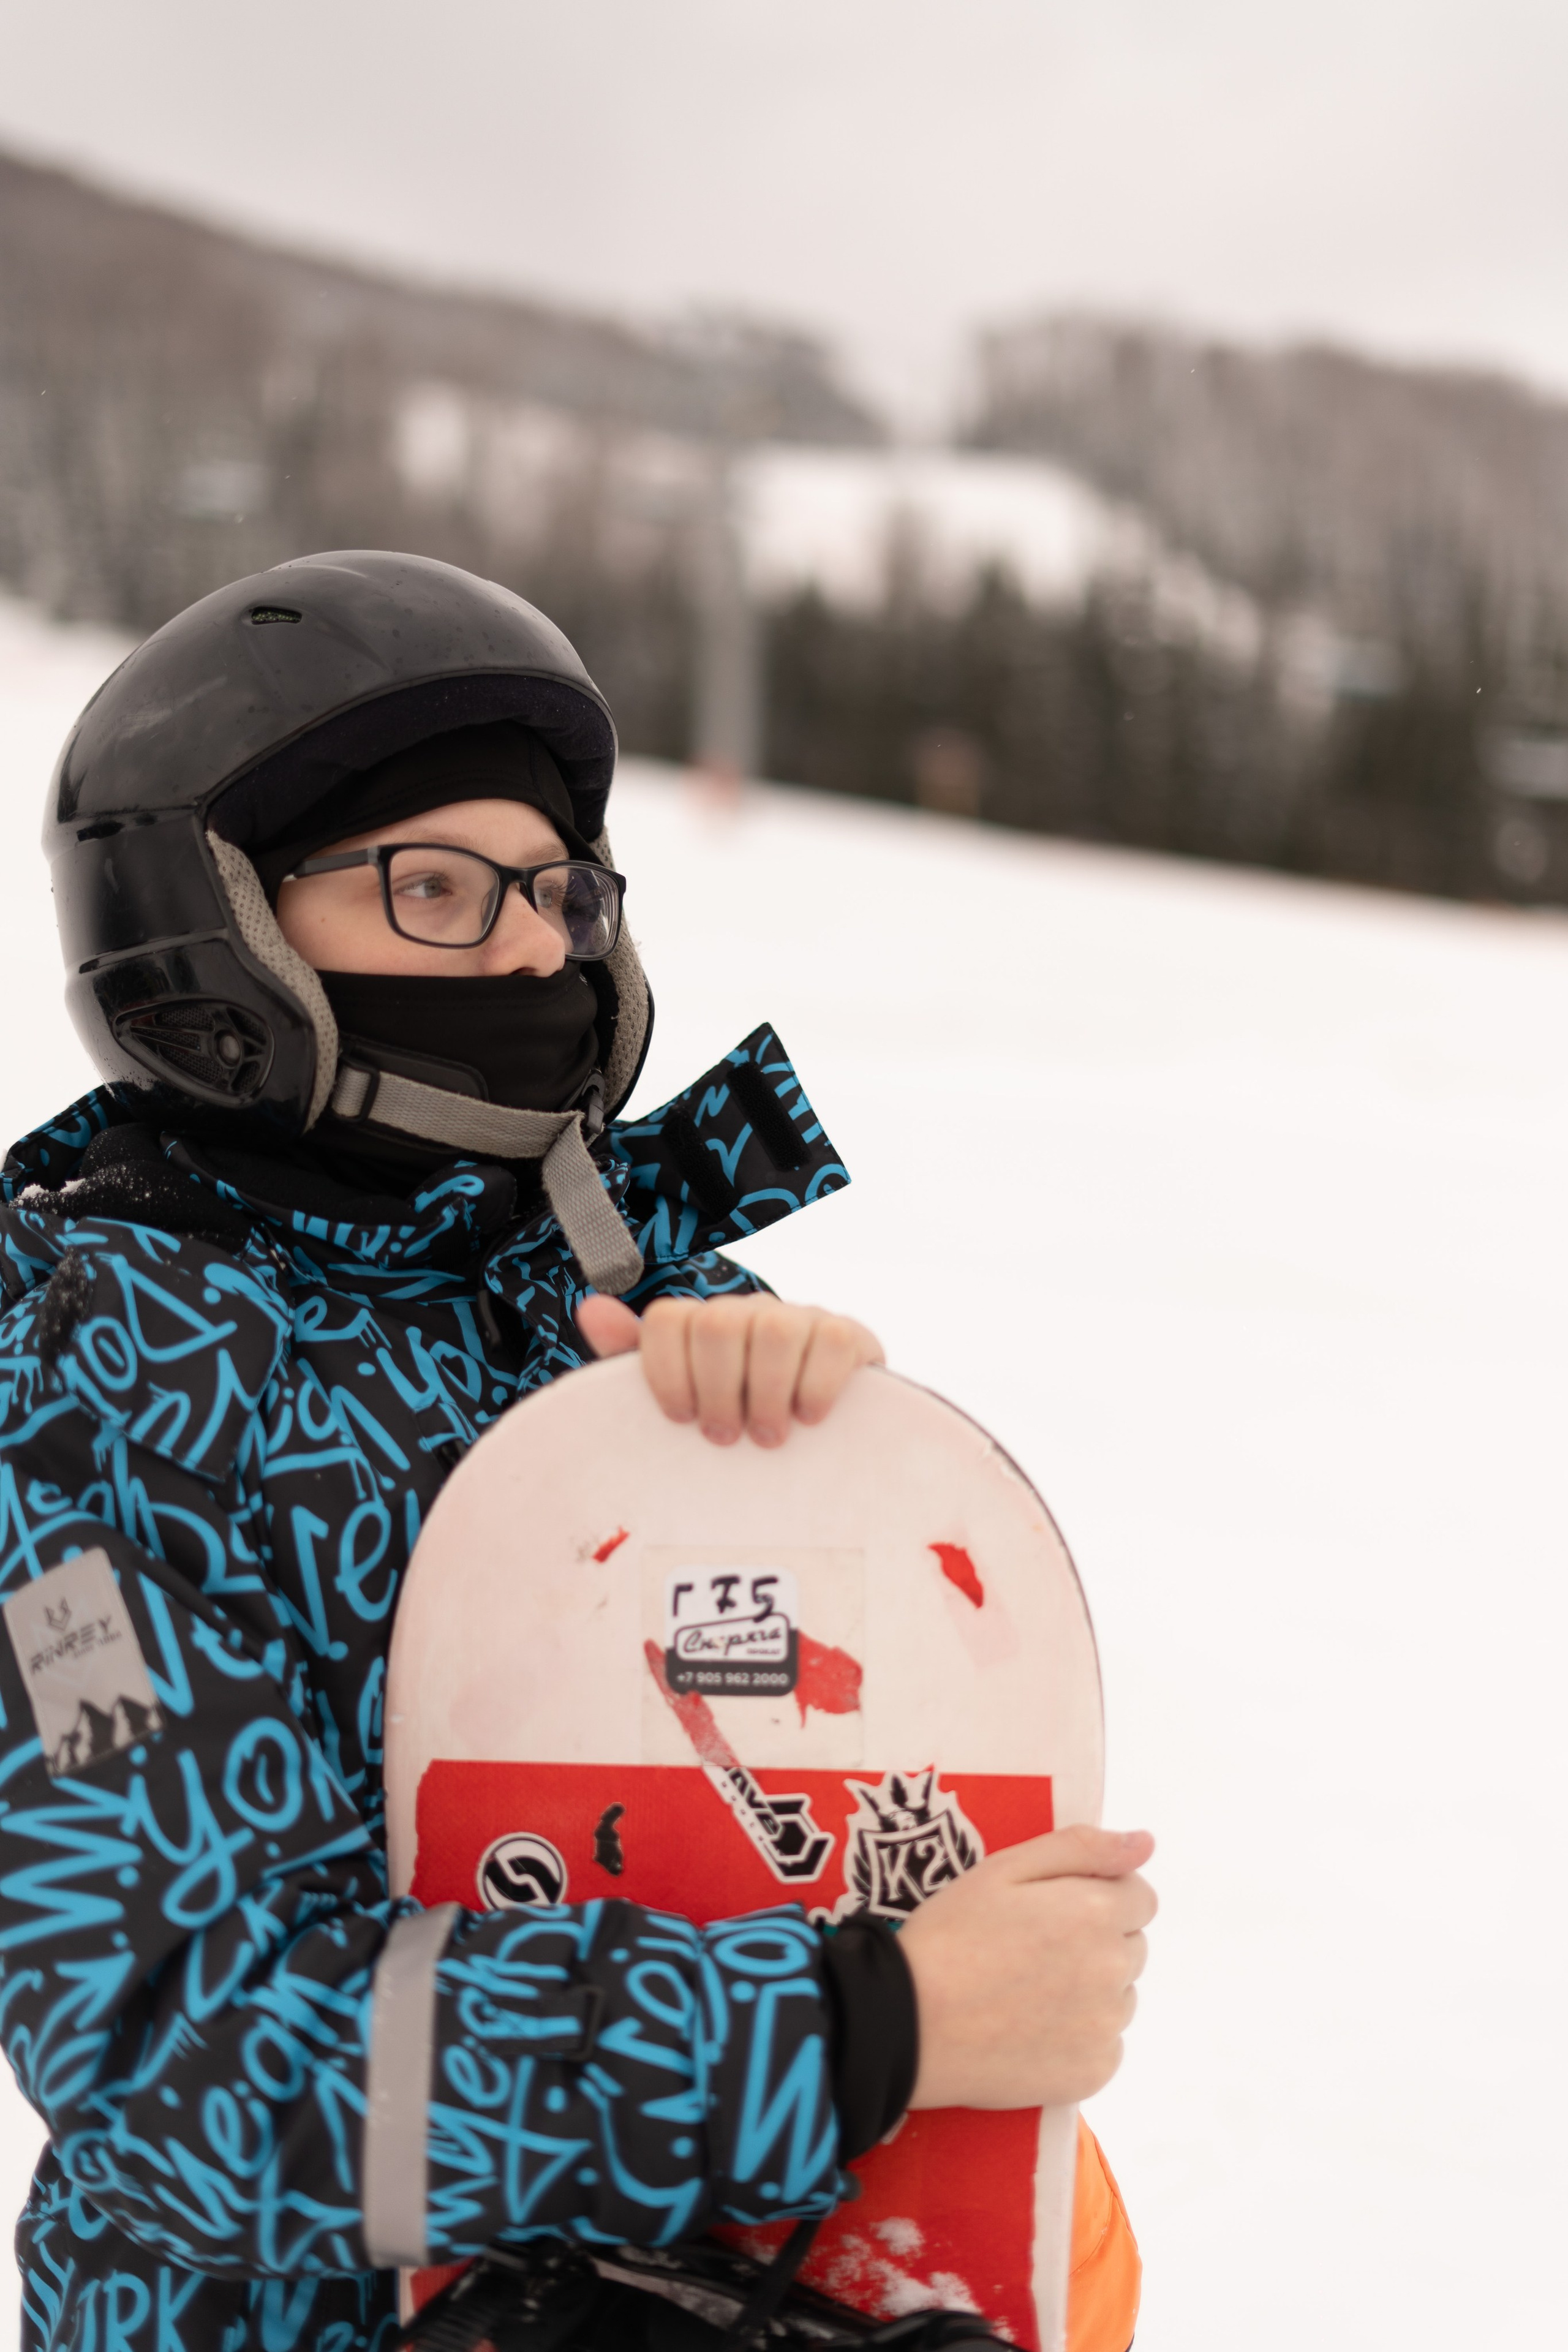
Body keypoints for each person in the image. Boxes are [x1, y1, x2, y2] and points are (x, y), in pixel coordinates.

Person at [0, 552, 1153, 2352]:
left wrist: (807, 1472)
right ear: (213, 935)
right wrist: (861, 2031)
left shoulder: (627, 1300)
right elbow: (180, 2058)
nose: (535, 949)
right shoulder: (92, 1383)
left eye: (558, 890)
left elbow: (844, 1790)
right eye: (437, 889)